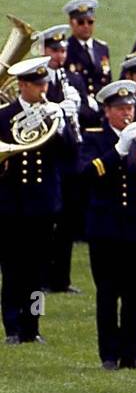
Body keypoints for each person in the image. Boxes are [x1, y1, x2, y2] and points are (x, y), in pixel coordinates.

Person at [78, 78, 136, 370]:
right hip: (107, 229)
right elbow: (84, 174)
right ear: (108, 111)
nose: (127, 114)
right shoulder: (94, 138)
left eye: (130, 108)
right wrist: (118, 151)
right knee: (108, 293)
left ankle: (131, 353)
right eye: (121, 108)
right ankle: (109, 354)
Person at [0, 57, 76, 344]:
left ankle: (33, 325)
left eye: (45, 83)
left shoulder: (52, 114)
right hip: (11, 204)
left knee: (38, 270)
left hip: (43, 204)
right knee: (12, 267)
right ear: (23, 85)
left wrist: (62, 126)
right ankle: (12, 326)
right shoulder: (4, 116)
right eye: (37, 84)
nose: (43, 89)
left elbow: (70, 156)